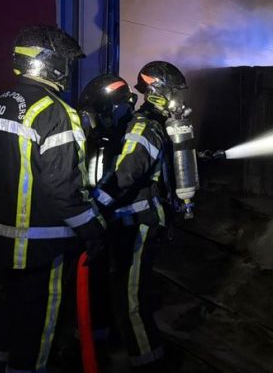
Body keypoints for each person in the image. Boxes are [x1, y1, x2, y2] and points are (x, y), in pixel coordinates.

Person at [0, 24, 106, 373]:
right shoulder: (56, 113)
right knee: (38, 327)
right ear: (49, 64)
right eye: (65, 61)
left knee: (8, 316)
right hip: (40, 244)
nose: (67, 68)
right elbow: (65, 190)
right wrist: (93, 231)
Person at [92, 61, 190, 372]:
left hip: (139, 222)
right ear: (158, 89)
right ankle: (105, 348)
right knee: (122, 291)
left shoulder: (144, 125)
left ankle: (148, 362)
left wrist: (96, 205)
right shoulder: (156, 123)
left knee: (130, 300)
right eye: (172, 89)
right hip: (145, 219)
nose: (177, 96)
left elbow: (127, 172)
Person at [76, 73, 138, 363]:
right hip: (96, 223)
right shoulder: (93, 139)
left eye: (93, 114)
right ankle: (92, 342)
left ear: (112, 110)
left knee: (119, 288)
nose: (90, 120)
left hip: (121, 225)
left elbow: (123, 181)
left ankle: (114, 342)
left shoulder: (129, 140)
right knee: (94, 286)